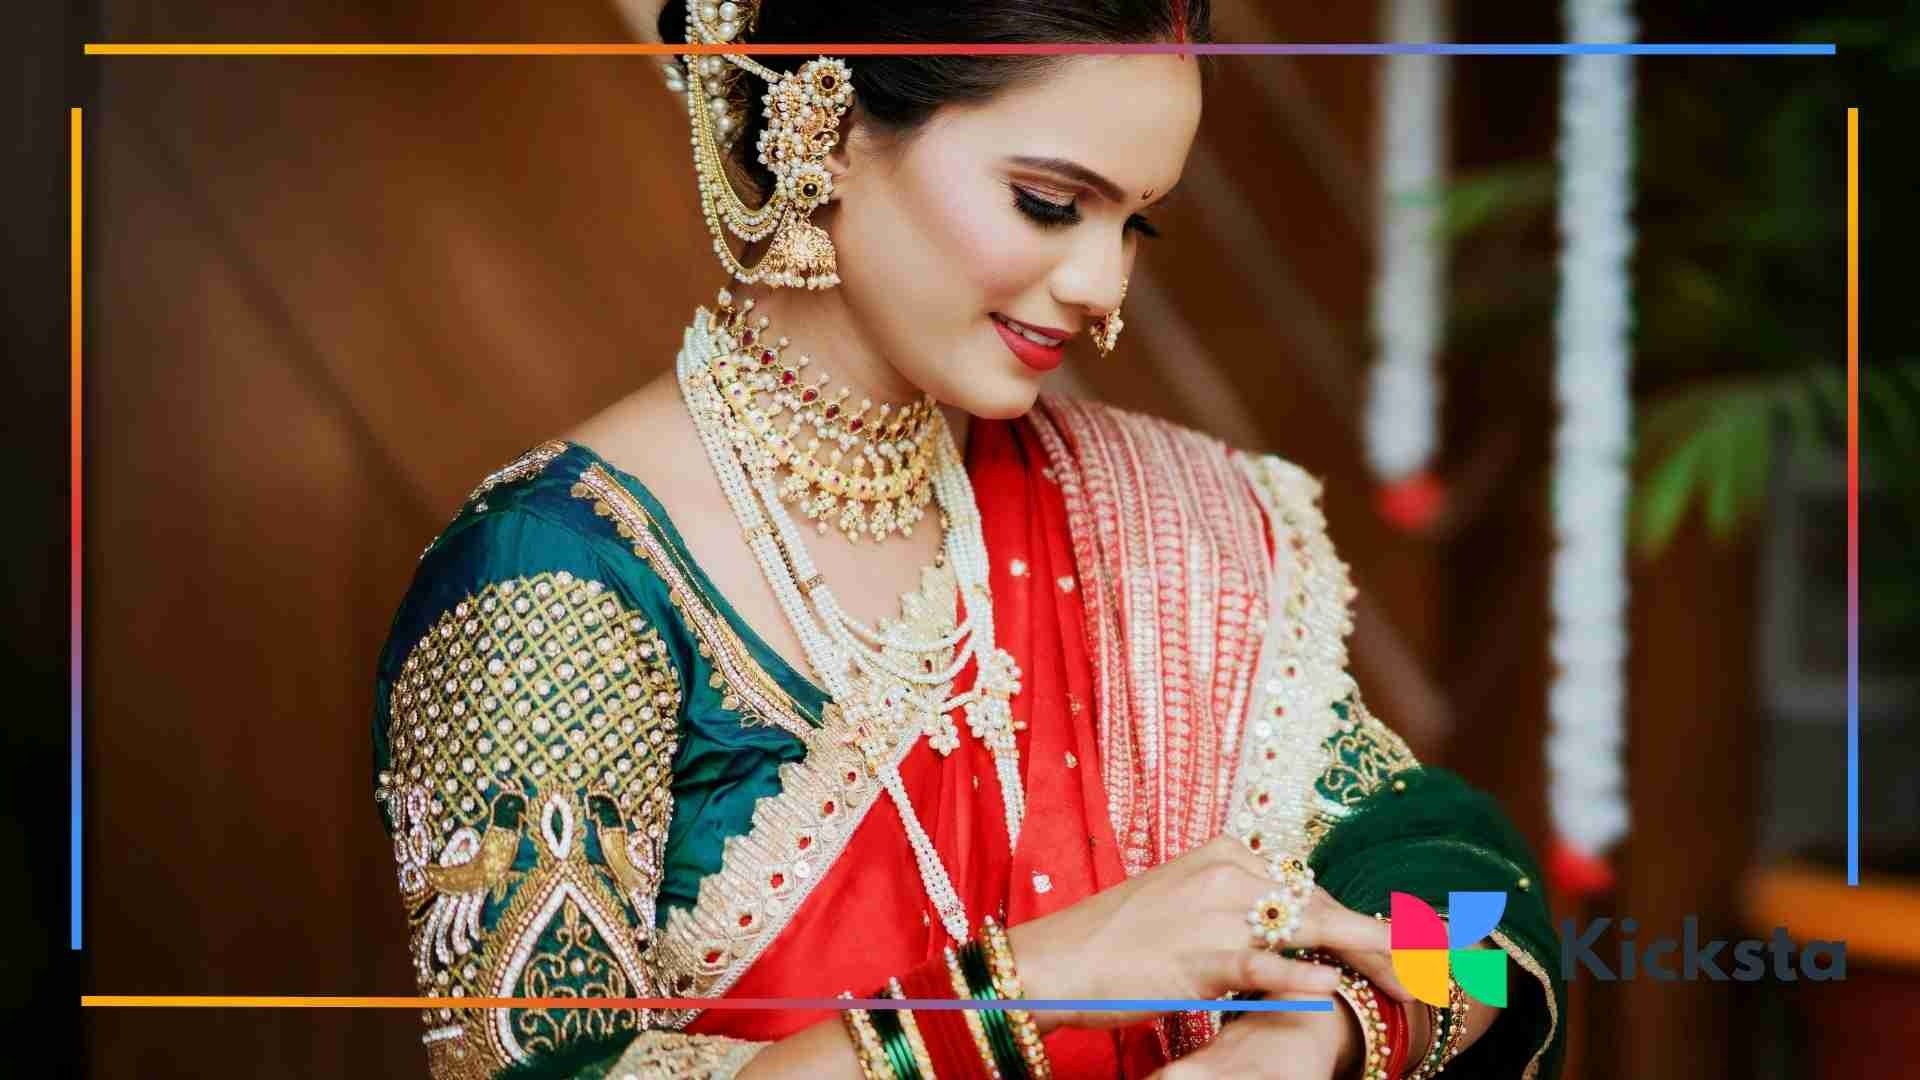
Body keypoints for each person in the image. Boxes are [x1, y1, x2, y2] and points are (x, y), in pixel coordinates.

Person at [370, 1, 1565, 1076]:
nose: (1103, 283)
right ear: (823, 124)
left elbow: (1485, 928)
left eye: (1138, 225)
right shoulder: (552, 580)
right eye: (1050, 203)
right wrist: (1036, 982)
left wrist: (1335, 1031)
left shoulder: (1153, 534)